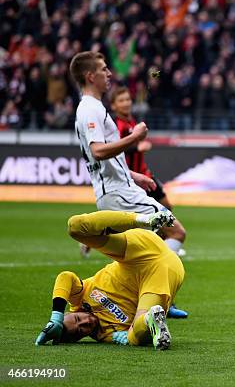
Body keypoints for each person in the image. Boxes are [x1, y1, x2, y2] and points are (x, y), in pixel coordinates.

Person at [70, 52, 189, 317]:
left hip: (121, 188)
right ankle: (158, 299)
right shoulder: (90, 108)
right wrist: (134, 137)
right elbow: (98, 151)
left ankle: (147, 299)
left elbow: (104, 160)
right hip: (119, 194)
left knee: (140, 251)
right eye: (103, 69)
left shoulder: (94, 107)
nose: (109, 73)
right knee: (175, 233)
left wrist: (135, 176)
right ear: (91, 76)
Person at [35, 210, 182, 349]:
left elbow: (65, 277)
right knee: (135, 335)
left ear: (70, 313)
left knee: (75, 227)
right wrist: (132, 337)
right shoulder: (106, 335)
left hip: (135, 253)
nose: (86, 323)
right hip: (162, 275)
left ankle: (143, 219)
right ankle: (150, 318)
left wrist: (56, 317)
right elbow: (138, 334)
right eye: (80, 331)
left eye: (78, 319)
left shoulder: (79, 299)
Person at [111, 86, 183, 228]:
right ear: (114, 105)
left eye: (127, 99)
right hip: (131, 178)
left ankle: (165, 240)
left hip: (144, 173)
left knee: (166, 206)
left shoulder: (132, 122)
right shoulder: (116, 125)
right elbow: (114, 148)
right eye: (121, 100)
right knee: (129, 220)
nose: (126, 103)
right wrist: (136, 147)